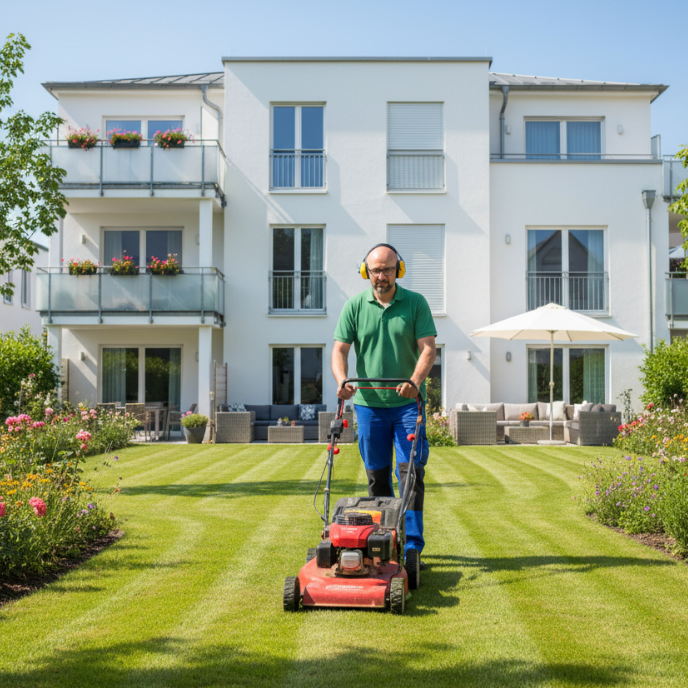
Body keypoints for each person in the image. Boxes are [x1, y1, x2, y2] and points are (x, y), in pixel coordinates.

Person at [332, 243, 437, 567]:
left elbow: (428, 349)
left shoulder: (416, 303)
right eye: (376, 270)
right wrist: (342, 380)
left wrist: (414, 382)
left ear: (398, 270)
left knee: (410, 476)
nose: (381, 276)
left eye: (388, 270)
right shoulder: (354, 306)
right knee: (377, 478)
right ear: (366, 272)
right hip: (369, 405)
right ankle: (384, 542)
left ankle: (412, 548)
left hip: (407, 405)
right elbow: (339, 350)